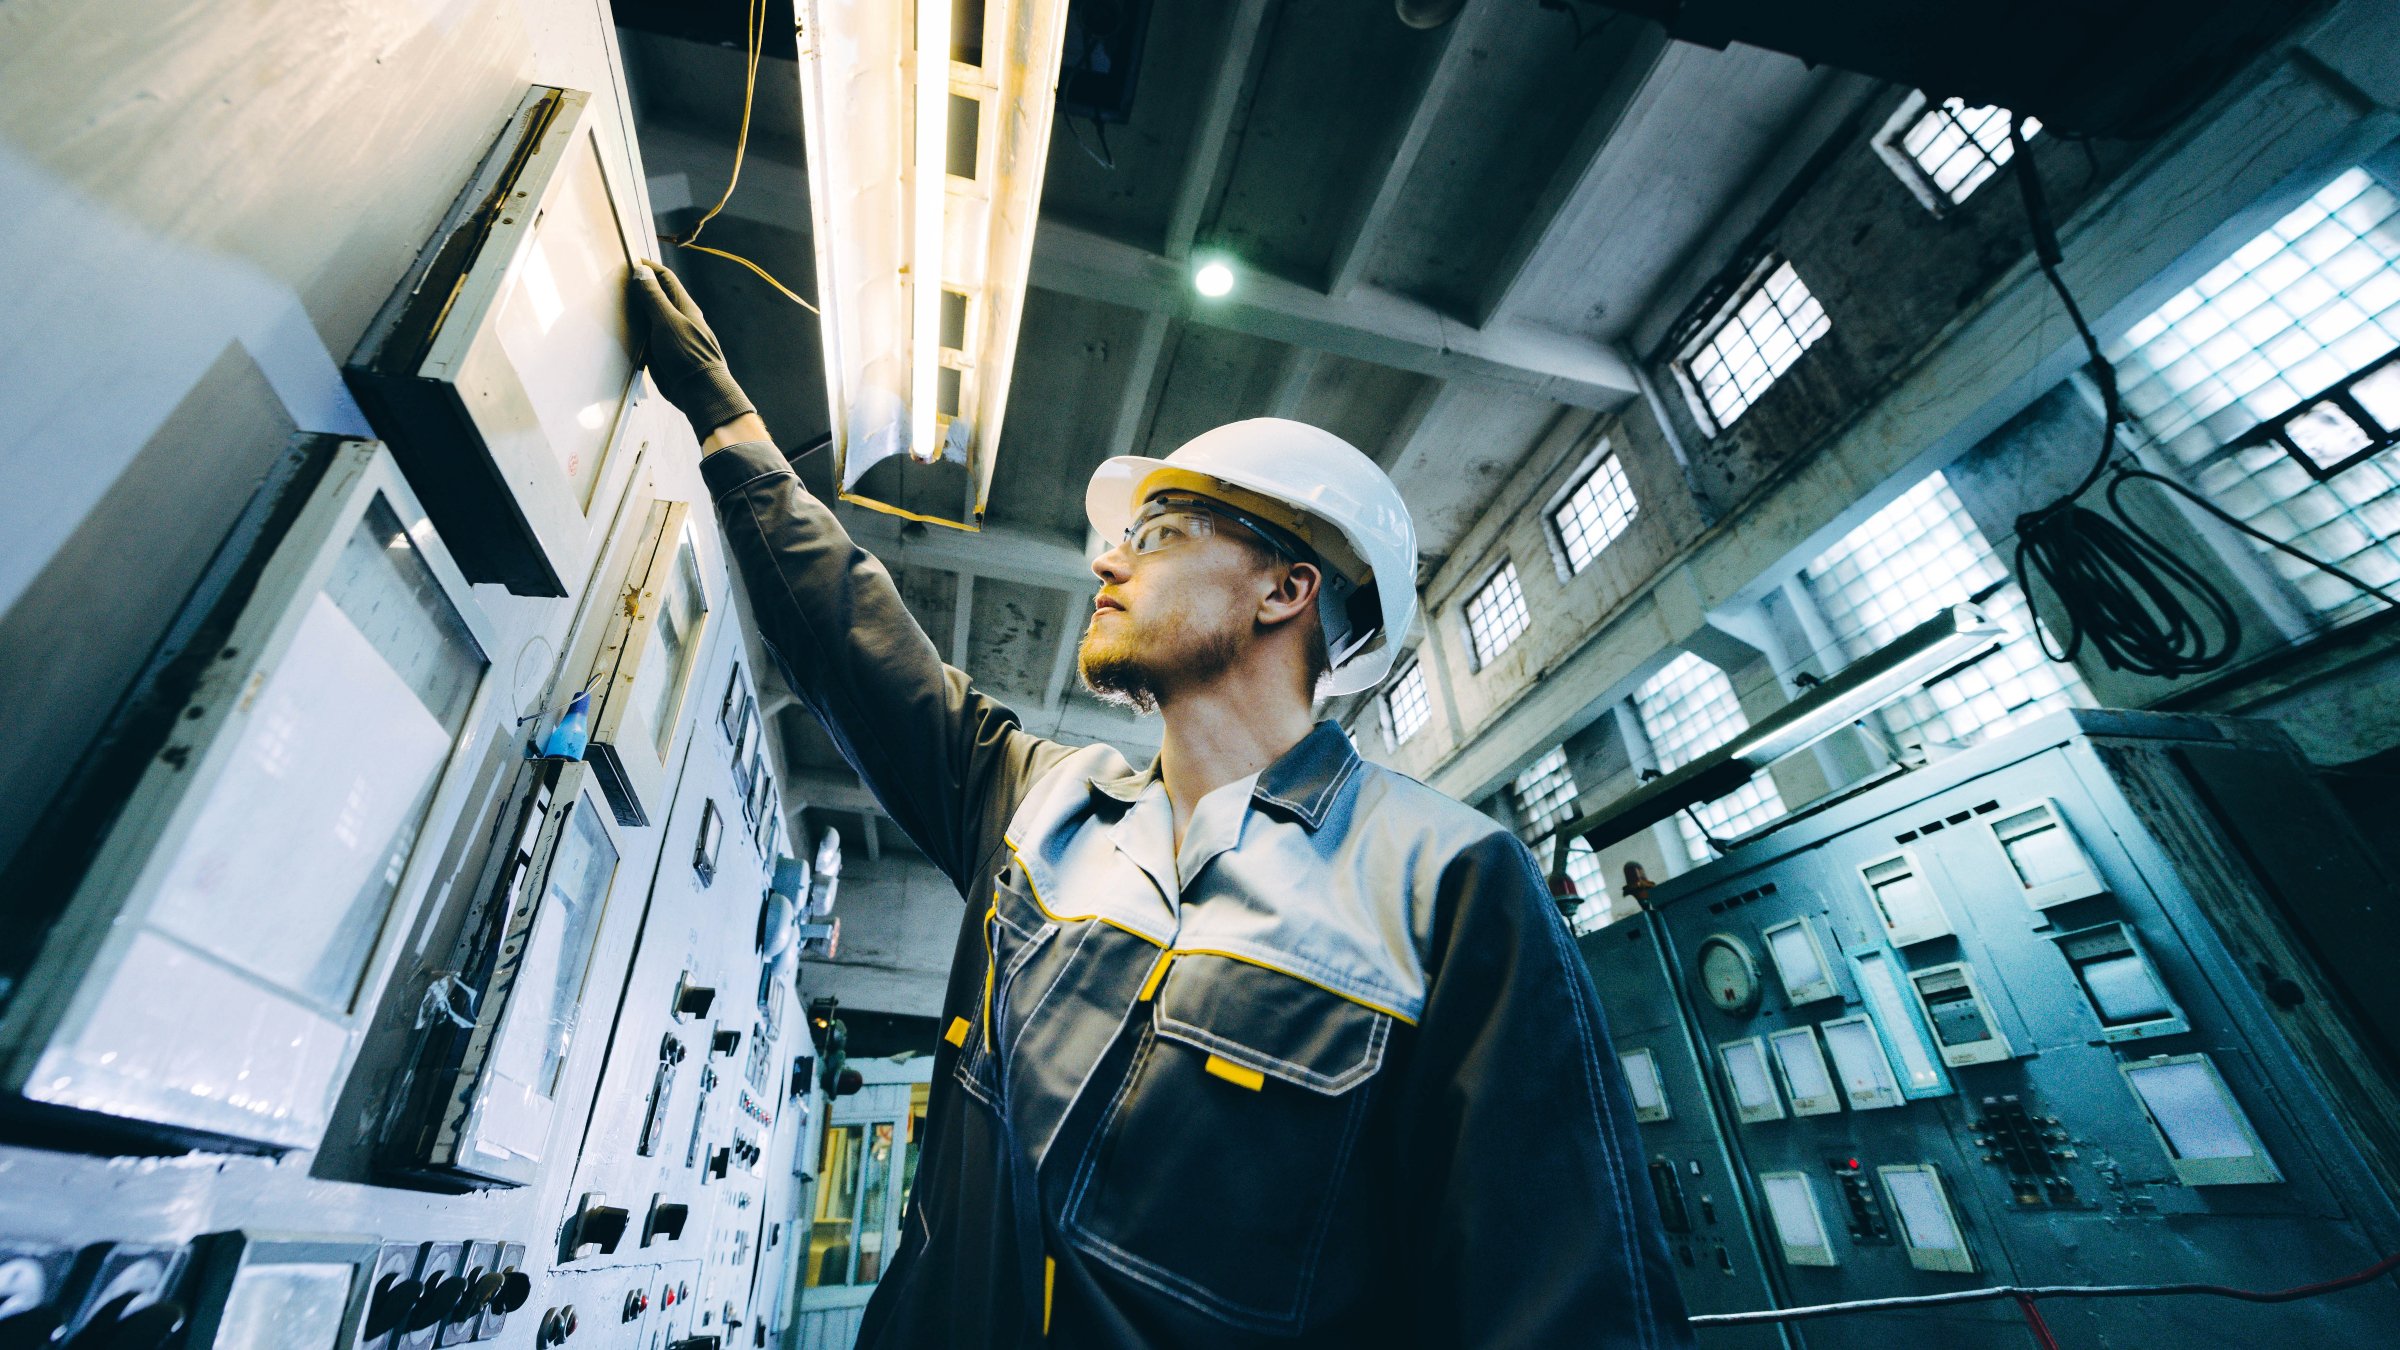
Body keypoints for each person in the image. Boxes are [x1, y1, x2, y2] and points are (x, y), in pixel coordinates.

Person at [632, 263, 1692, 1349]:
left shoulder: (1451, 890)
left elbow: (1576, 1309)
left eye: (1160, 532)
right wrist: (727, 423)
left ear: (1286, 589)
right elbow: (856, 642)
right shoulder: (1043, 804)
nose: (1106, 559)